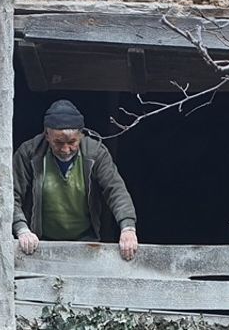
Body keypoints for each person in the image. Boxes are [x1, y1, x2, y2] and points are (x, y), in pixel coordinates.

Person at [12, 99, 139, 261]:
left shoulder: (95, 153)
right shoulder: (29, 153)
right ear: (47, 135)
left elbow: (115, 190)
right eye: (58, 142)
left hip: (86, 242)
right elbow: (11, 195)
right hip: (39, 243)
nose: (65, 149)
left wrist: (128, 228)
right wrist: (22, 229)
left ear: (81, 135)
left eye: (72, 142)